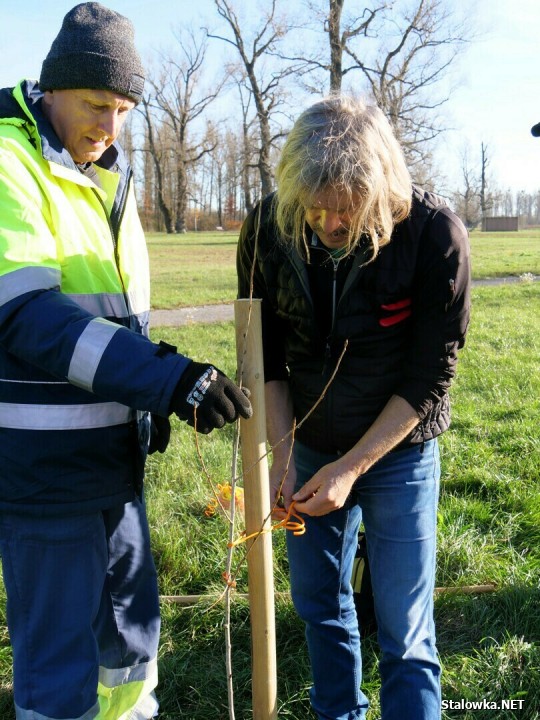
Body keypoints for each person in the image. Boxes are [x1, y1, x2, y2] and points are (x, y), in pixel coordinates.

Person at [0, 4, 252, 719]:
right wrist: (167, 379)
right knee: (59, 668)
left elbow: (113, 318)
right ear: (53, 87)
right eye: (95, 104)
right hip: (43, 472)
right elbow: (26, 315)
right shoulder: (8, 160)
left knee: (131, 655)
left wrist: (170, 373)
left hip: (113, 461)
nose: (109, 125)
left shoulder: (108, 174)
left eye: (122, 108)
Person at [237, 95, 470, 720]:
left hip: (400, 453)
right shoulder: (268, 227)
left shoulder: (434, 235)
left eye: (346, 212)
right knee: (318, 604)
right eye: (315, 211)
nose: (329, 227)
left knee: (405, 626)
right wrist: (283, 458)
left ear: (381, 193)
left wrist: (352, 469)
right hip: (307, 439)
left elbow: (429, 381)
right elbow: (266, 361)